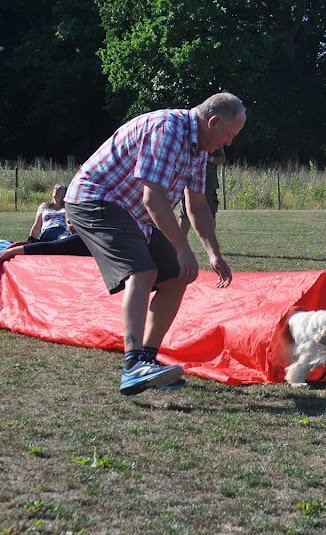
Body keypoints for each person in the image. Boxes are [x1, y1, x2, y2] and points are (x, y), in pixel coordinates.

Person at [64, 92, 246, 395]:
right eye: (230, 135)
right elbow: (153, 198)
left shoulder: (199, 147)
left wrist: (213, 253)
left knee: (177, 276)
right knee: (142, 271)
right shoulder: (168, 129)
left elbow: (197, 205)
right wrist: (182, 247)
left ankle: (148, 361)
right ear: (213, 122)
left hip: (134, 211)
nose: (229, 143)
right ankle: (133, 364)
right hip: (95, 199)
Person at [178, 147, 226, 234]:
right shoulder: (189, 136)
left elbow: (222, 159)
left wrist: (207, 158)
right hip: (188, 183)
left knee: (210, 216)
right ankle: (177, 246)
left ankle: (210, 245)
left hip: (209, 185)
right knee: (185, 216)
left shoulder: (216, 136)